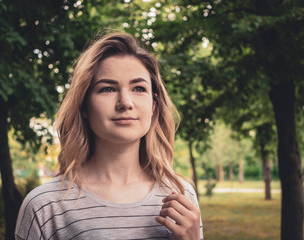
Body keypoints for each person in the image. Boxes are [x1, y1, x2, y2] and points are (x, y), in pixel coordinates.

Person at [15, 32, 203, 240]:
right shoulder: (45, 206)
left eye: (138, 88)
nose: (125, 102)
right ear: (84, 106)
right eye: (108, 89)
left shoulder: (181, 197)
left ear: (154, 106)